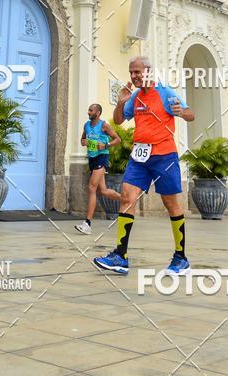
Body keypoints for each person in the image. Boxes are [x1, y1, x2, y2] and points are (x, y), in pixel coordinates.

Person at [93, 56, 195, 276]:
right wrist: (120, 102)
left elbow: (191, 115)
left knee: (171, 204)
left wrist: (181, 111)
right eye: (131, 72)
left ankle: (181, 257)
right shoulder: (136, 96)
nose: (133, 76)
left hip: (164, 156)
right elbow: (119, 121)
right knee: (127, 197)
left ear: (148, 71)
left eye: (137, 72)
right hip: (139, 157)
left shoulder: (165, 92)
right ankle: (120, 256)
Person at [75, 104, 122, 234]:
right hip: (92, 158)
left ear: (98, 112)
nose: (88, 112)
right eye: (88, 109)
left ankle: (87, 224)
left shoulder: (104, 125)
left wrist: (106, 145)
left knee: (92, 188)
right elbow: (83, 140)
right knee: (104, 191)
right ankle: (125, 200)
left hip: (102, 158)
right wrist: (83, 142)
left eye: (91, 110)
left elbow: (118, 139)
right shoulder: (86, 125)